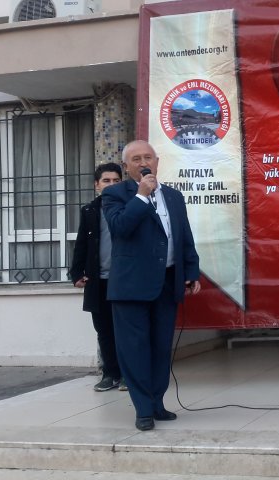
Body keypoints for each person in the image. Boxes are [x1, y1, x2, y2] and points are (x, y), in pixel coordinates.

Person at [102, 140, 201, 431]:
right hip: (131, 286)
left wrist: (191, 271)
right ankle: (143, 409)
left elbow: (183, 236)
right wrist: (142, 196)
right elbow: (120, 227)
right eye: (136, 159)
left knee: (160, 348)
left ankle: (157, 403)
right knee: (134, 349)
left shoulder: (173, 196)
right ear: (126, 166)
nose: (143, 162)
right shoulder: (114, 194)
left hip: (166, 282)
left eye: (148, 157)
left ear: (157, 162)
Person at [69, 162, 126, 392]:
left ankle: (128, 375)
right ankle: (110, 374)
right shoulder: (90, 211)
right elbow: (81, 244)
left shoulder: (130, 208)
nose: (111, 185)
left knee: (126, 330)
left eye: (116, 181)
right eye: (106, 181)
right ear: (96, 185)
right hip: (98, 281)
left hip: (124, 281)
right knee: (104, 330)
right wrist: (76, 273)